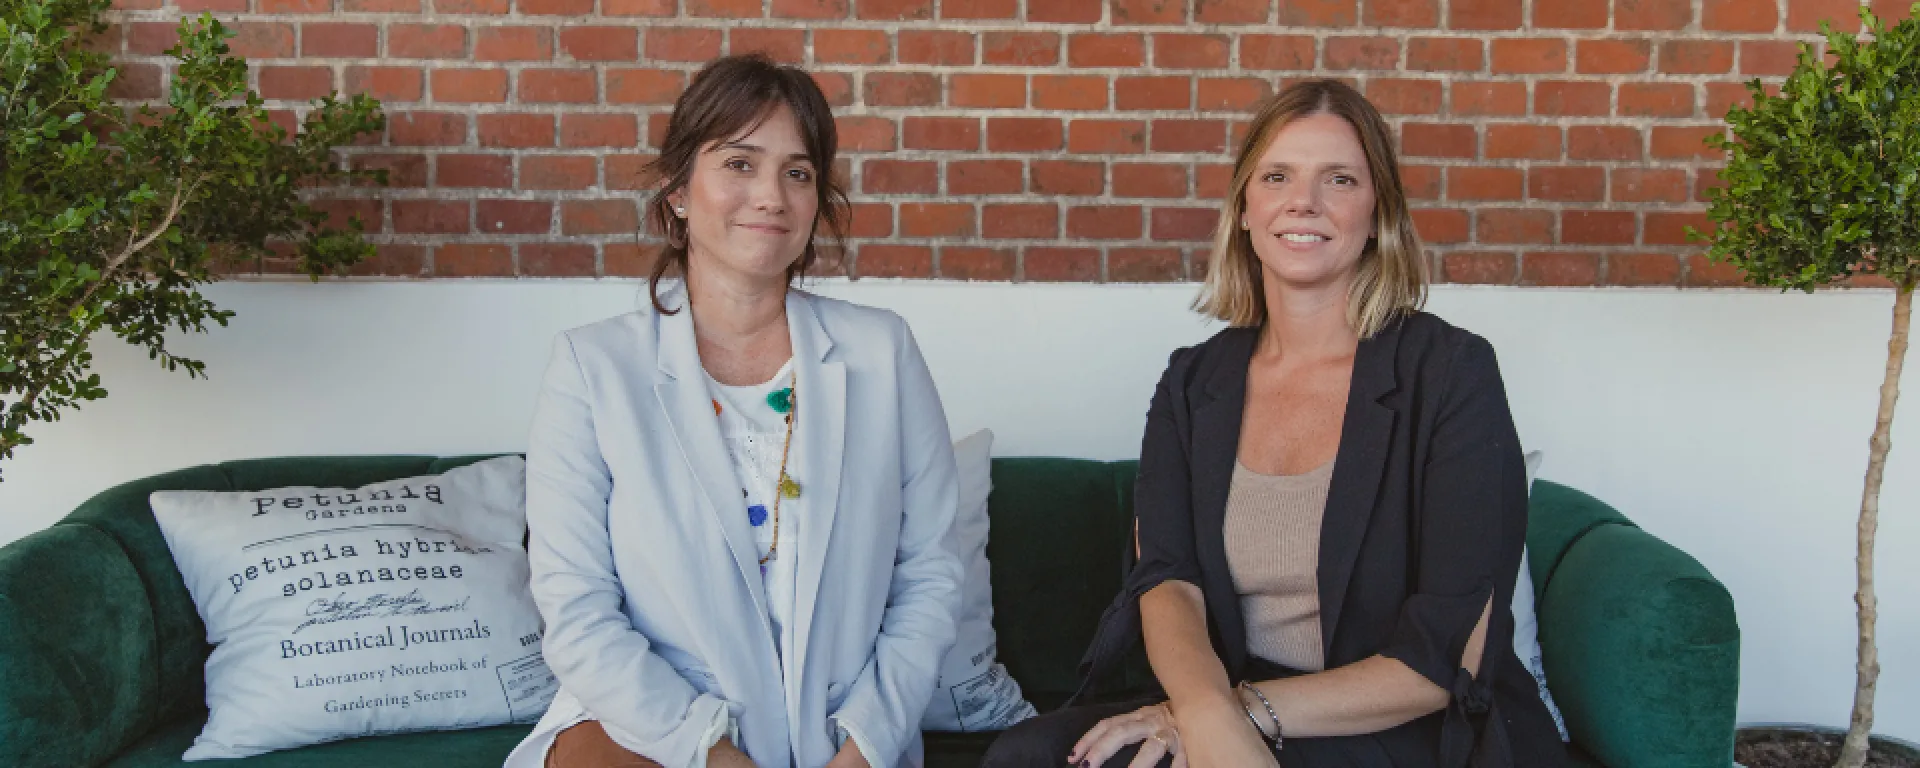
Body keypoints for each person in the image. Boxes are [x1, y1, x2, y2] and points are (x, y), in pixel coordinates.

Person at [979, 79, 1566, 768]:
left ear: (1377, 213)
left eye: (1340, 179)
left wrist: (1240, 718)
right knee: (1031, 756)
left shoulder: (1451, 371)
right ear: (1246, 209)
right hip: (1233, 693)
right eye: (1278, 176)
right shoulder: (1194, 381)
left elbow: (1444, 653)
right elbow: (1167, 581)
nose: (1304, 202)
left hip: (1401, 717)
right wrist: (1203, 711)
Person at [503, 54, 963, 768]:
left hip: (842, 734)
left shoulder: (883, 352)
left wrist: (867, 745)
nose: (772, 196)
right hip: (649, 731)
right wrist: (710, 754)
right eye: (740, 164)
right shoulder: (593, 368)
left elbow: (929, 576)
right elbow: (576, 611)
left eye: (798, 172)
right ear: (679, 190)